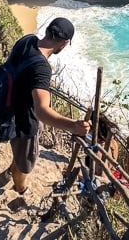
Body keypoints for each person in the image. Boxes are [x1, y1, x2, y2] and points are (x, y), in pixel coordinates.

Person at [8, 17, 91, 194]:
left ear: (47, 30)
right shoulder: (42, 68)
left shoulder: (27, 41)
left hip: (9, 109)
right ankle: (20, 189)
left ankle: (13, 167)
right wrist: (73, 126)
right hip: (24, 122)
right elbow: (42, 112)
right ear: (64, 43)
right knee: (24, 165)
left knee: (17, 149)